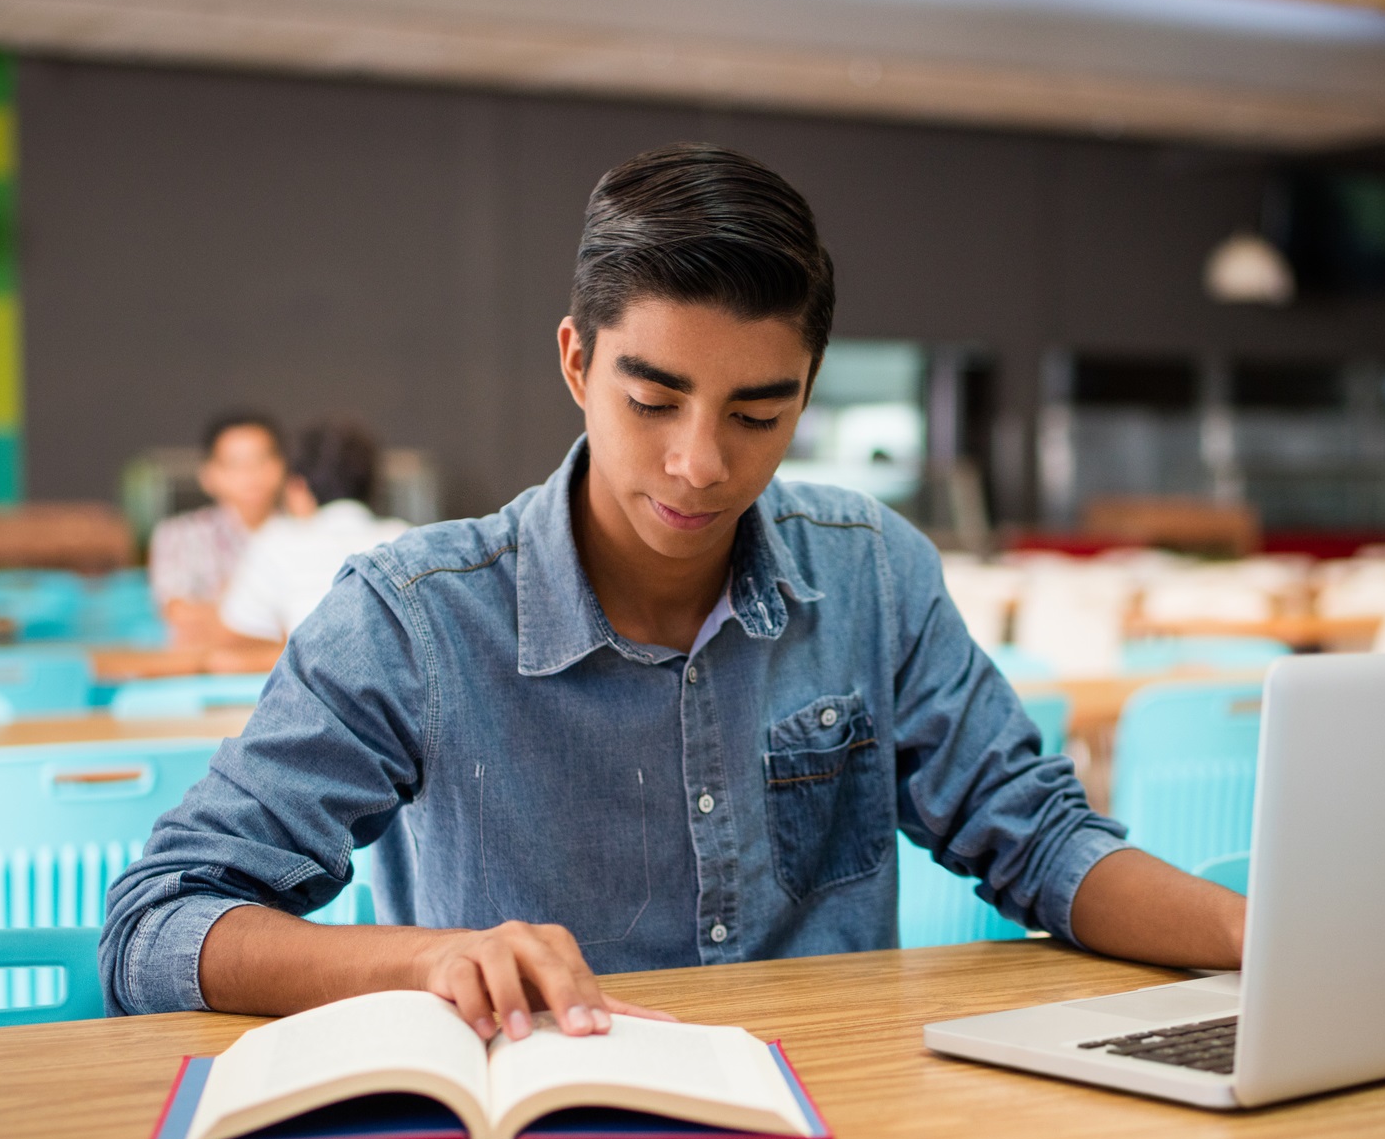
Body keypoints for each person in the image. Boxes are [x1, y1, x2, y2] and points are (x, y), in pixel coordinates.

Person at [101, 143, 1243, 1038]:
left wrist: (1270, 937)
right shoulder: (415, 617)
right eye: (654, 401)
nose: (702, 462)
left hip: (836, 1131)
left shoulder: (871, 572)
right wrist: (424, 960)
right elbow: (156, 924)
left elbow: (1040, 840)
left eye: (758, 415)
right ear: (576, 362)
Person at [216, 420, 409, 645]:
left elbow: (239, 631)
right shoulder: (406, 538)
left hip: (309, 675)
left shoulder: (277, 541)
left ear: (299, 487)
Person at [149, 412, 286, 647]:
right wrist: (274, 627)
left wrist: (222, 617)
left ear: (282, 466)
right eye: (235, 464)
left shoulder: (304, 534)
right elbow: (181, 616)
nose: (250, 475)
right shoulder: (179, 535)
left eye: (260, 461)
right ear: (209, 475)